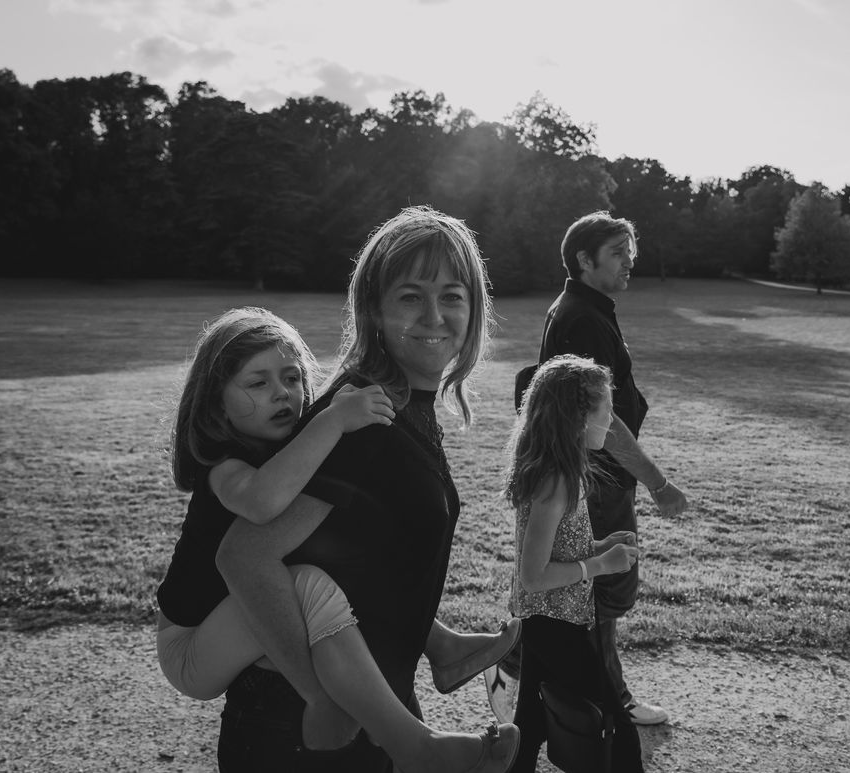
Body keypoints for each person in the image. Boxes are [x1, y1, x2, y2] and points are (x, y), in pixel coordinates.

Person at [213, 206, 519, 772]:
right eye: (410, 296)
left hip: (372, 704)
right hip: (307, 729)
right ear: (374, 310)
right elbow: (246, 555)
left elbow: (363, 560)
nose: (434, 315)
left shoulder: (405, 406)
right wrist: (321, 697)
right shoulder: (363, 415)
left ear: (474, 309)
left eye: (452, 295)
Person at [486, 211, 688, 727]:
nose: (630, 263)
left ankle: (519, 669)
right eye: (619, 252)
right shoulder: (581, 317)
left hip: (593, 475)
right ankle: (603, 699)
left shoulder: (584, 310)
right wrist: (657, 482)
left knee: (591, 589)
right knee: (598, 592)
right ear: (584, 259)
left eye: (631, 253)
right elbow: (601, 415)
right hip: (593, 479)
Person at [506, 355, 645, 773]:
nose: (612, 418)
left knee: (528, 727)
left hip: (547, 619)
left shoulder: (562, 468)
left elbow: (558, 550)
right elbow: (534, 576)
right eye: (607, 408)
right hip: (554, 622)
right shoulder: (556, 479)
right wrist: (600, 566)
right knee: (617, 727)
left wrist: (600, 546)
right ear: (580, 416)